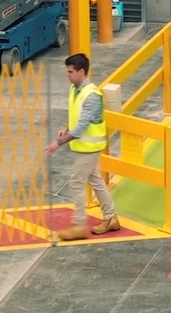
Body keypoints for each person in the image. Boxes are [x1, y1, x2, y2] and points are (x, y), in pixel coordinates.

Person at [43, 53, 120, 241]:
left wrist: (57, 143)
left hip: (90, 147)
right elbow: (75, 114)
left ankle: (78, 226)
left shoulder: (92, 95)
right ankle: (111, 218)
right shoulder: (75, 88)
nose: (67, 75)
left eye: (70, 72)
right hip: (85, 146)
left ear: (81, 72)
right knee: (97, 182)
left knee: (76, 182)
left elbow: (82, 126)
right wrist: (65, 127)